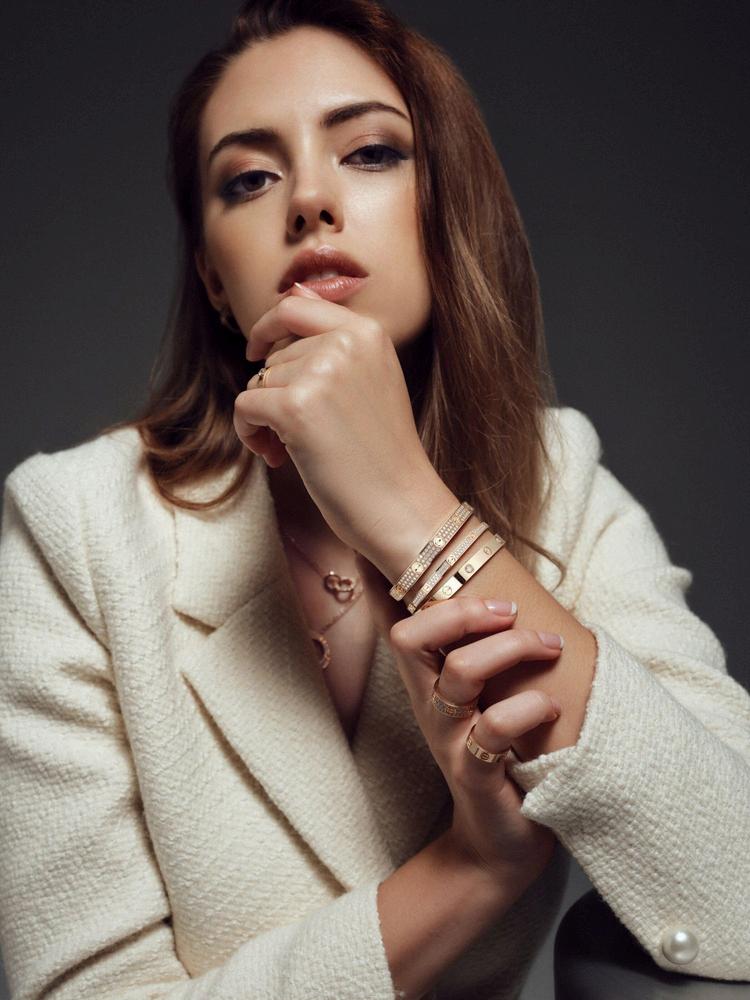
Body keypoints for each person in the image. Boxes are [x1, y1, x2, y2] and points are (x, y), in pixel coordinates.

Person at [1, 1, 748, 998]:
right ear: (214, 279)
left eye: (370, 153)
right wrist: (472, 874)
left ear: (446, 214)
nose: (309, 200)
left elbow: (739, 887)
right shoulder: (76, 525)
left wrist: (415, 512)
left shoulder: (559, 483)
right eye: (249, 178)